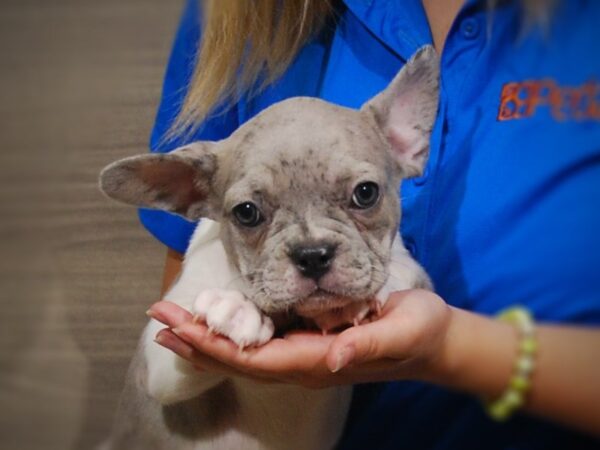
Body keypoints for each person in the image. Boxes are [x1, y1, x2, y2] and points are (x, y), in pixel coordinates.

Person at [140, 0, 600, 448]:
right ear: (196, 193)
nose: (314, 248)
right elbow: (163, 373)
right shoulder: (237, 15)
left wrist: (448, 348)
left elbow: (401, 279)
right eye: (251, 214)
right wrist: (240, 335)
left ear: (405, 143)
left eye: (362, 195)